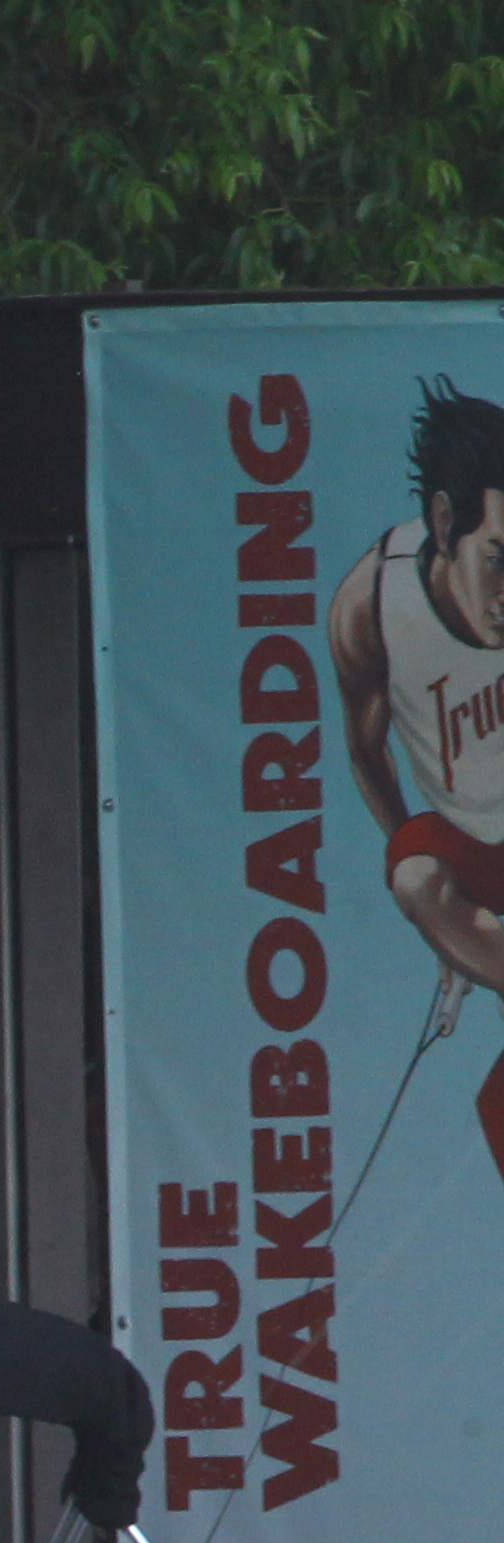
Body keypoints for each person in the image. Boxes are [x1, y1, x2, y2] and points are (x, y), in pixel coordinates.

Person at [330, 379, 504, 1181]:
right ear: (445, 523)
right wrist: (452, 935)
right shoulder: (371, 603)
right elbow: (368, 753)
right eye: (498, 560)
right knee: (413, 866)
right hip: (474, 847)